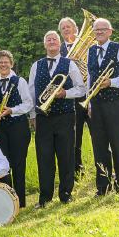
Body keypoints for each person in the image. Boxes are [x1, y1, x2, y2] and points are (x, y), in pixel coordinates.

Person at [29, 31, 86, 207]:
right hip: (43, 118)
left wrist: (65, 93)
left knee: (66, 156)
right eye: (48, 40)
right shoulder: (36, 66)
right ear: (44, 44)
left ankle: (66, 194)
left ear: (59, 43)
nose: (51, 42)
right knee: (44, 157)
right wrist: (33, 115)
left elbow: (81, 88)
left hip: (65, 116)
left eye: (54, 39)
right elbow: (31, 93)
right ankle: (44, 198)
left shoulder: (69, 64)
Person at [86, 18, 119, 195]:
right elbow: (90, 80)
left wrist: (112, 82)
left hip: (114, 102)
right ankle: (103, 185)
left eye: (102, 29)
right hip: (96, 104)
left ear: (110, 31)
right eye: (96, 30)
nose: (98, 32)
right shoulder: (90, 51)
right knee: (99, 146)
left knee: (118, 143)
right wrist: (88, 101)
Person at [0, 50, 32, 208]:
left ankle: (20, 201)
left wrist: (12, 110)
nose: (3, 65)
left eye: (6, 62)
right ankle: (6, 200)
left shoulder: (20, 81)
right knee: (2, 164)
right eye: (0, 62)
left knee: (18, 164)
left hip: (18, 127)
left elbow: (28, 104)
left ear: (11, 64)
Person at [59, 17, 90, 176]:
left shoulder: (88, 46)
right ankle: (77, 171)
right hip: (72, 98)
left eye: (68, 27)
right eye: (63, 28)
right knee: (74, 137)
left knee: (98, 134)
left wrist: (79, 62)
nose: (66, 30)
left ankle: (104, 168)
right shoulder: (59, 51)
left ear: (76, 29)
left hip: (91, 95)